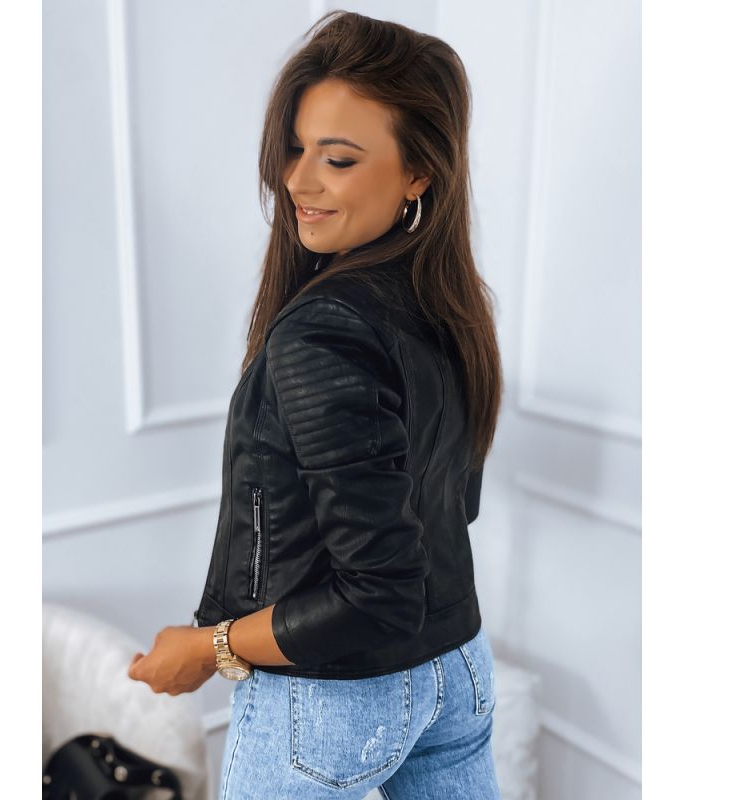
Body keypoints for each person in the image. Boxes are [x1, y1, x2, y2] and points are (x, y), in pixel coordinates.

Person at [128, 11, 504, 799]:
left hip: (336, 701)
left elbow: (379, 594)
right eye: (296, 149)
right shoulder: (452, 304)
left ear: (419, 172)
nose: (298, 181)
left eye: (337, 158)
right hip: (459, 666)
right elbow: (449, 507)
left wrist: (210, 647)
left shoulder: (322, 333)